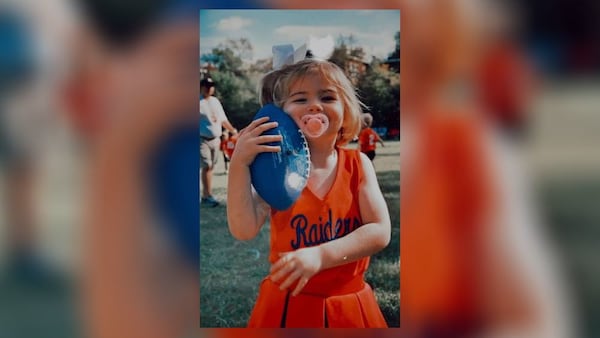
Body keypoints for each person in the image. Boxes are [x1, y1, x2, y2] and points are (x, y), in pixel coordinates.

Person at [227, 58, 391, 328]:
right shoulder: (274, 174)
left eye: (327, 96)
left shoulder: (358, 164)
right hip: (290, 305)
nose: (314, 105)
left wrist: (320, 256)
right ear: (281, 116)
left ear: (346, 112)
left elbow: (379, 230)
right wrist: (239, 165)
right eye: (300, 99)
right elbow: (243, 229)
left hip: (347, 304)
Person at [200, 77, 237, 207]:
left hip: (215, 139)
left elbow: (222, 119)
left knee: (211, 167)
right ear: (201, 87)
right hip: (202, 139)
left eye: (211, 85)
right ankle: (207, 195)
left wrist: (232, 130)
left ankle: (207, 194)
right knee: (207, 166)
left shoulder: (215, 101)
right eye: (206, 85)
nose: (209, 88)